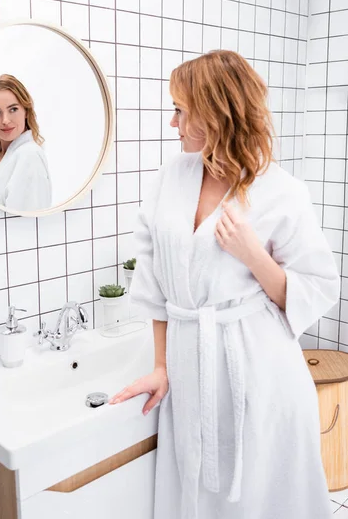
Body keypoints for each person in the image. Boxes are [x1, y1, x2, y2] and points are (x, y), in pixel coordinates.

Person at [109, 50, 340, 519]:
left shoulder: (281, 190)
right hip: (191, 361)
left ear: (215, 113)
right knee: (198, 492)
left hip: (258, 366)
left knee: (262, 494)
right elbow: (152, 280)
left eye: (180, 109)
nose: (173, 123)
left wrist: (253, 254)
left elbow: (315, 288)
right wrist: (160, 365)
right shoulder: (169, 177)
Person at [0, 74, 52, 211]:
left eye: (13, 109)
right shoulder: (0, 154)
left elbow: (24, 224)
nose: (5, 120)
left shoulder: (29, 155)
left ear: (26, 111)